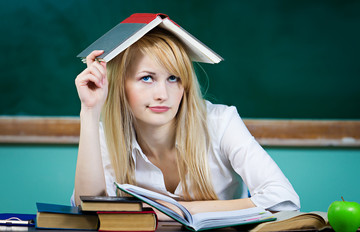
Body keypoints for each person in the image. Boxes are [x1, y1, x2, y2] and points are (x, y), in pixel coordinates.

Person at [72, 27, 300, 217]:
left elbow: (284, 200)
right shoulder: (107, 135)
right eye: (147, 78)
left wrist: (175, 210)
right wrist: (90, 112)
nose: (162, 93)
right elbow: (87, 211)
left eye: (173, 78)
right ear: (120, 85)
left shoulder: (220, 122)